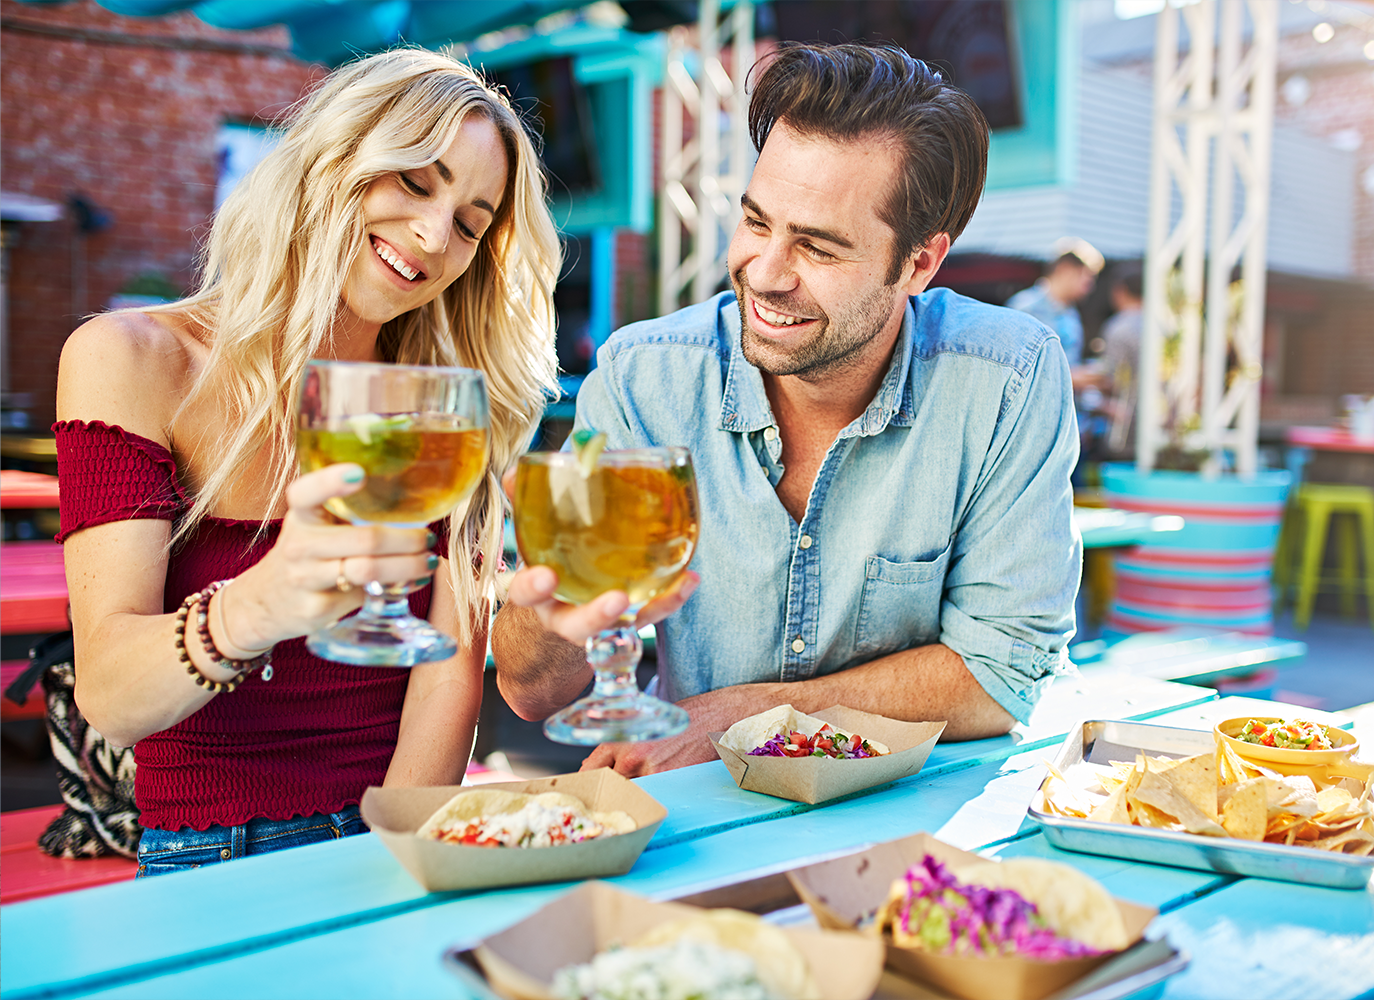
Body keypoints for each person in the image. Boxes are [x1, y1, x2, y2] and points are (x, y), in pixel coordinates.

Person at [496, 42, 1081, 776]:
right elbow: (533, 694)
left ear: (919, 264)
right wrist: (543, 605)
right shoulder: (645, 378)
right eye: (756, 222)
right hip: (699, 825)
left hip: (921, 822)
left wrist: (743, 720)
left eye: (820, 249)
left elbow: (1003, 676)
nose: (765, 274)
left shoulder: (1006, 377)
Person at [53, 49, 561, 875]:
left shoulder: (446, 402)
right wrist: (262, 603)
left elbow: (447, 680)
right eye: (415, 182)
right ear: (335, 160)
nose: (435, 237)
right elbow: (110, 698)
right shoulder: (134, 359)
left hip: (396, 838)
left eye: (471, 223)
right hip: (203, 855)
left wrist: (387, 873)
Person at [1006, 238, 1104, 367]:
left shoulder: (1071, 311)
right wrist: (1074, 378)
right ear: (1065, 270)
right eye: (1088, 276)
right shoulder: (1025, 307)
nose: (1090, 285)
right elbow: (1016, 366)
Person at [1098, 263, 1143, 458]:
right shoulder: (1168, 326)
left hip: (1124, 431)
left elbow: (1111, 379)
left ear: (1119, 291)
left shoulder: (1119, 328)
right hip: (1164, 428)